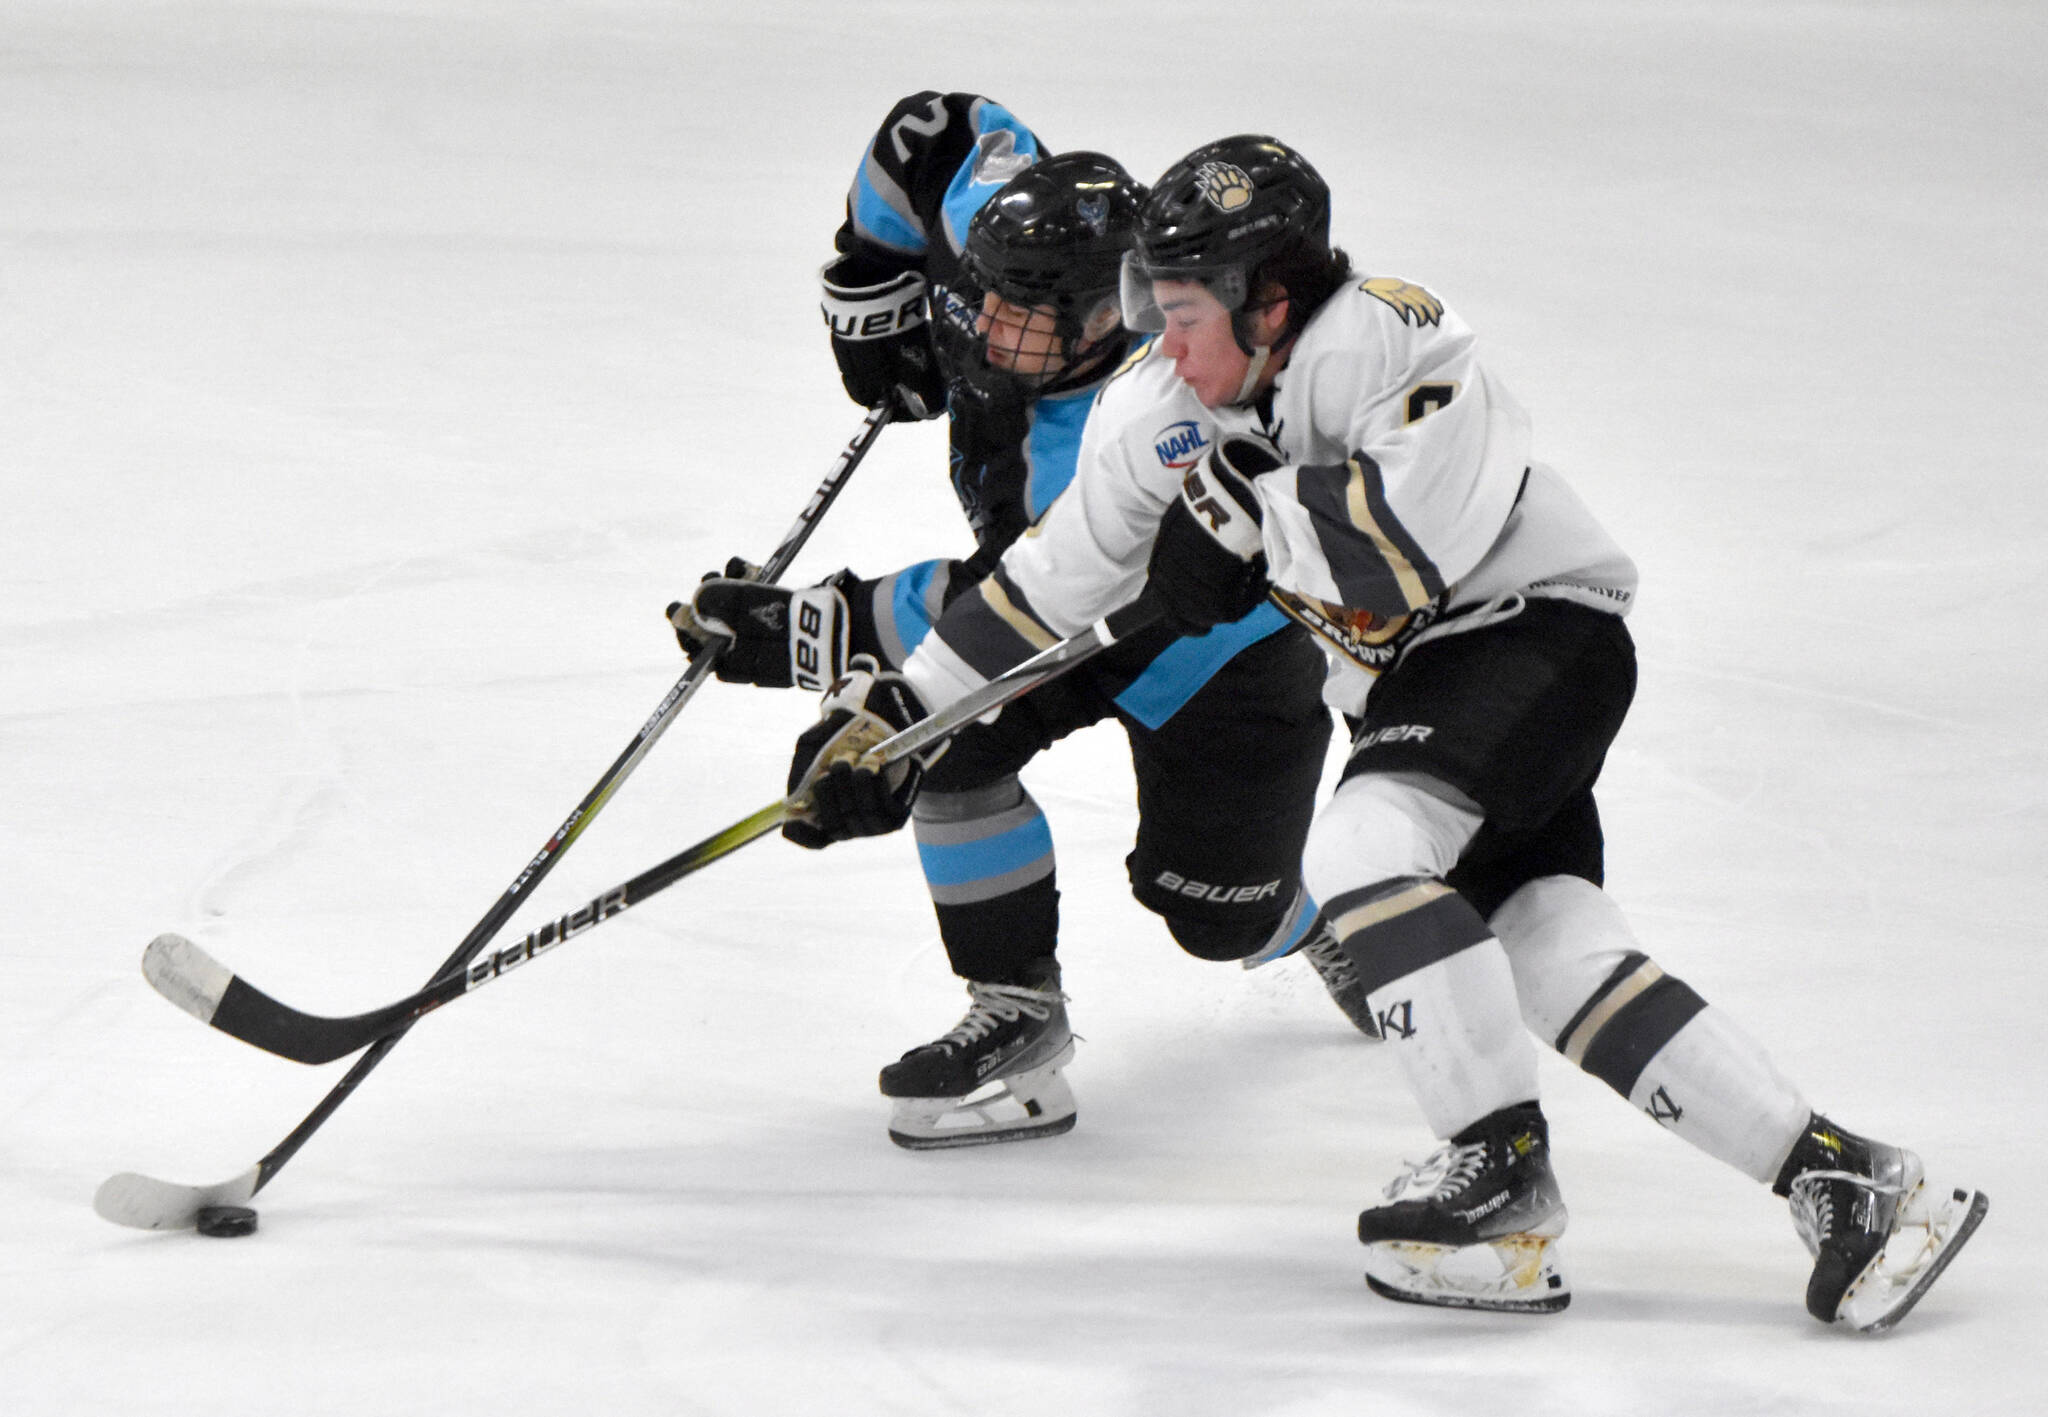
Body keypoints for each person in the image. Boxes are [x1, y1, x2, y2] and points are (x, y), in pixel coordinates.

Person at [790, 132, 1986, 1331]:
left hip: (1533, 637)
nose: (1165, 343)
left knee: (1360, 854)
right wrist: (902, 715)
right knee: (1547, 951)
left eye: (1189, 313)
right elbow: (1045, 582)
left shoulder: (1387, 333)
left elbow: (1408, 540)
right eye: (1150, 308)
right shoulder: (1156, 401)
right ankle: (1846, 1180)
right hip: (1431, 692)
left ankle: (1497, 1174)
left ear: (1270, 298)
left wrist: (1245, 520)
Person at [674, 93, 1360, 1152]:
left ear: (1102, 322)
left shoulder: (1142, 424)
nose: (982, 325)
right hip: (1053, 602)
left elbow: (1017, 600)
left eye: (1015, 315)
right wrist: (872, 286)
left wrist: (806, 631)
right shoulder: (1021, 244)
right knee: (936, 744)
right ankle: (1016, 1017)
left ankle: (1315, 918)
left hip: (1212, 656)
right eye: (979, 294)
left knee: (1212, 918)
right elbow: (932, 132)